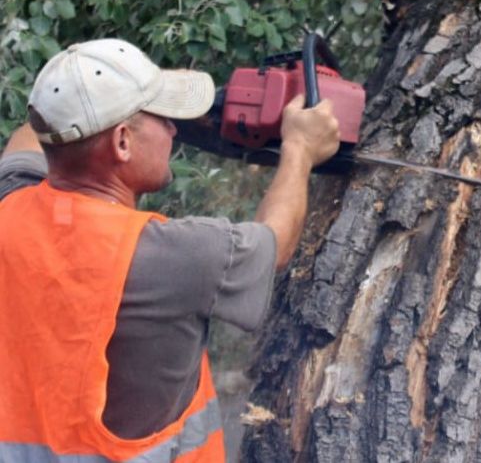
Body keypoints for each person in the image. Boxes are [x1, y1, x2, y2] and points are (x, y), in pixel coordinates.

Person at [0, 39, 340, 461]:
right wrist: (299, 151)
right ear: (122, 142)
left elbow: (33, 133)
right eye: (164, 119)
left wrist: (99, 85)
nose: (176, 130)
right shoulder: (179, 256)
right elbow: (275, 243)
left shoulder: (10, 205)